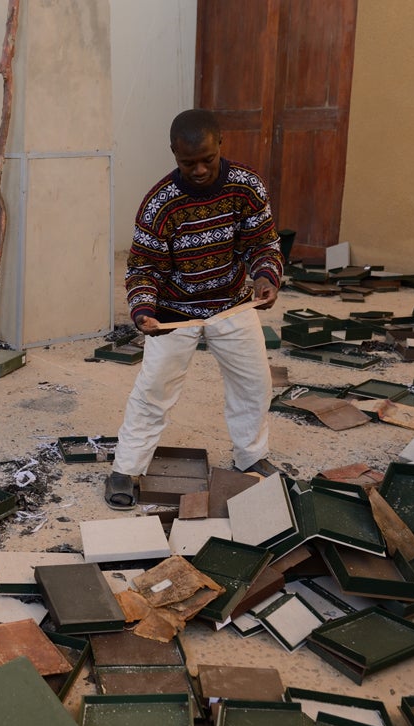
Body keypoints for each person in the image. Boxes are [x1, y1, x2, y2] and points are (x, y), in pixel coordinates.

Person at [104, 108, 283, 510]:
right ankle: (126, 469)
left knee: (254, 384)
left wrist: (266, 277)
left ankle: (251, 457)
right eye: (188, 162)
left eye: (207, 159)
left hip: (232, 302)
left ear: (221, 145)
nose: (199, 170)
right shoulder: (158, 204)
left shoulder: (247, 187)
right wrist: (143, 311)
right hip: (174, 309)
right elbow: (142, 267)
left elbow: (263, 243)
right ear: (173, 154)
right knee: (154, 392)